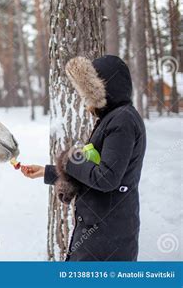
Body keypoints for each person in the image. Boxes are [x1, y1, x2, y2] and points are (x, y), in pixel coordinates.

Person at [22, 55, 146, 261]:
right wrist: (48, 171)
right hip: (101, 233)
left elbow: (106, 178)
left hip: (107, 240)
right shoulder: (114, 118)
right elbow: (95, 171)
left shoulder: (122, 120)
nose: (85, 100)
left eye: (89, 93)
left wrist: (70, 160)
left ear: (104, 89)